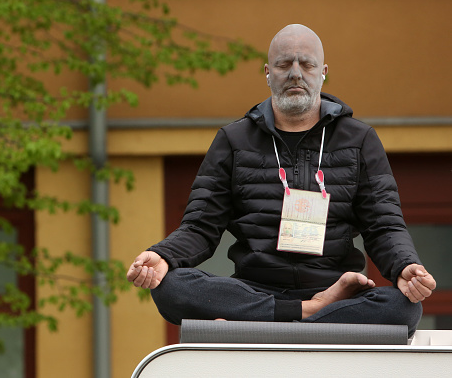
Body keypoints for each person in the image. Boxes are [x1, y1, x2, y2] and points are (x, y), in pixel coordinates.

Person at [126, 24, 436, 336]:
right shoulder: (234, 140)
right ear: (268, 72)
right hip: (254, 290)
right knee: (170, 287)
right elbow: (200, 226)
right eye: (284, 64)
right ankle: (310, 316)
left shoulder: (359, 140)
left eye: (307, 64)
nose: (296, 74)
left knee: (404, 306)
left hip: (332, 287)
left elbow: (383, 226)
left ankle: (257, 325)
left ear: (323, 71)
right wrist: (163, 255)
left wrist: (405, 266)